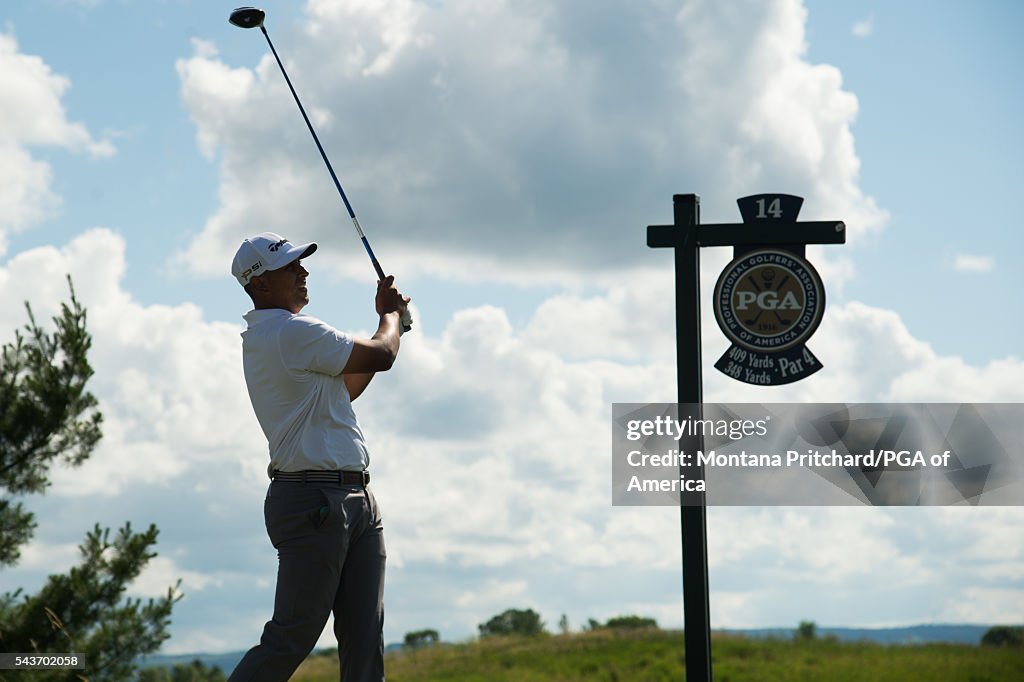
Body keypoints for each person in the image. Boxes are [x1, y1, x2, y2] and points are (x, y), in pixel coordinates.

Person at [228, 231, 409, 681]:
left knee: (365, 635)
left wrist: (395, 325)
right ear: (262, 284)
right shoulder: (291, 332)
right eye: (290, 267)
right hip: (315, 501)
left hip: (353, 497)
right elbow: (382, 355)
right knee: (293, 635)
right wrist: (389, 317)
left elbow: (346, 388)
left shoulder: (282, 337)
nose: (303, 272)